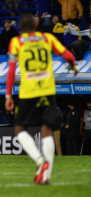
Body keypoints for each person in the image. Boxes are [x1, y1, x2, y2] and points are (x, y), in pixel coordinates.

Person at [5, 13, 77, 185]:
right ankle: (46, 175)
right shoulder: (47, 38)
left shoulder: (16, 42)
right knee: (47, 130)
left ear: (20, 29)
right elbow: (68, 55)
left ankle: (39, 161)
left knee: (20, 129)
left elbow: (11, 72)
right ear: (36, 26)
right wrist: (73, 64)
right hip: (47, 90)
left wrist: (8, 95)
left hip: (28, 92)